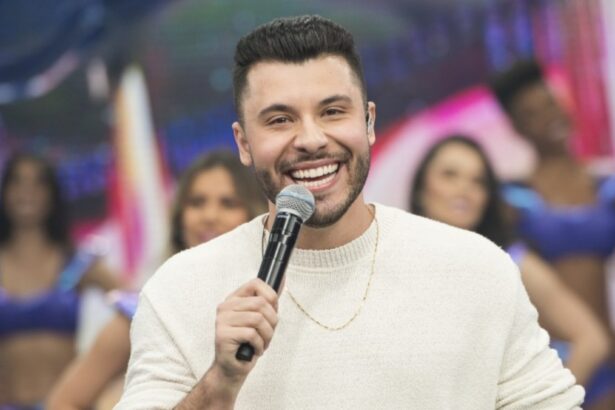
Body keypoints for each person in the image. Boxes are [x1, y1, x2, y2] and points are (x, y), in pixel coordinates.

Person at [116, 15, 584, 409]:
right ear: (242, 143)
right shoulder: (179, 289)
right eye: (280, 120)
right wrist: (219, 383)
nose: (312, 139)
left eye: (333, 111)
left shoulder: (476, 267)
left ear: (370, 122)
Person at [47, 150, 266, 409]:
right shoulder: (141, 311)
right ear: (179, 216)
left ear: (255, 214)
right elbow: (63, 402)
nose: (209, 215)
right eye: (196, 202)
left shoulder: (272, 301)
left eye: (228, 203)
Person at [409, 135, 610, 393]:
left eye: (478, 181)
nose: (464, 189)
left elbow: (592, 341)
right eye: (450, 175)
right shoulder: (394, 263)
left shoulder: (511, 261)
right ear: (421, 190)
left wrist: (550, 403)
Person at [491, 60, 615, 409]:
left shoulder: (605, 186)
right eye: (532, 113)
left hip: (608, 354)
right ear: (517, 127)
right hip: (555, 364)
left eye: (550, 103)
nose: (549, 117)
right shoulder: (512, 201)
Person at [0, 154, 122, 408]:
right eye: (18, 183)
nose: (27, 193)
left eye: (38, 184)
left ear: (52, 194)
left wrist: (113, 378)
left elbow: (142, 307)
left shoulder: (78, 262)